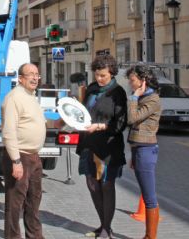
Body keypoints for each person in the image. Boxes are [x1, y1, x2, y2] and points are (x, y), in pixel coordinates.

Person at [76, 54, 127, 239]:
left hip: (108, 147)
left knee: (107, 185)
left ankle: (107, 228)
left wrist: (99, 126)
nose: (99, 79)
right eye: (97, 75)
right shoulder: (91, 89)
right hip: (88, 144)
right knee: (91, 185)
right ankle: (102, 223)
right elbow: (82, 112)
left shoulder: (118, 92)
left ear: (112, 73)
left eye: (103, 75)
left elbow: (121, 123)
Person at [1, 63, 46, 239]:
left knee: (34, 200)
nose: (35, 78)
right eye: (30, 75)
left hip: (34, 156)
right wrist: (16, 161)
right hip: (20, 156)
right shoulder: (14, 98)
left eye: (37, 74)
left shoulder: (31, 96)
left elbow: (36, 122)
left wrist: (57, 124)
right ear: (20, 78)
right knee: (15, 202)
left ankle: (34, 235)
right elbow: (9, 132)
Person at [126, 65, 161, 239]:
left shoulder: (152, 100)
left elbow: (132, 118)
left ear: (143, 81)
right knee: (147, 193)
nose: (130, 84)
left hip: (147, 150)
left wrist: (134, 97)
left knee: (149, 196)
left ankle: (150, 237)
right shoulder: (144, 97)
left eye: (132, 80)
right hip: (139, 149)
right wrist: (133, 154)